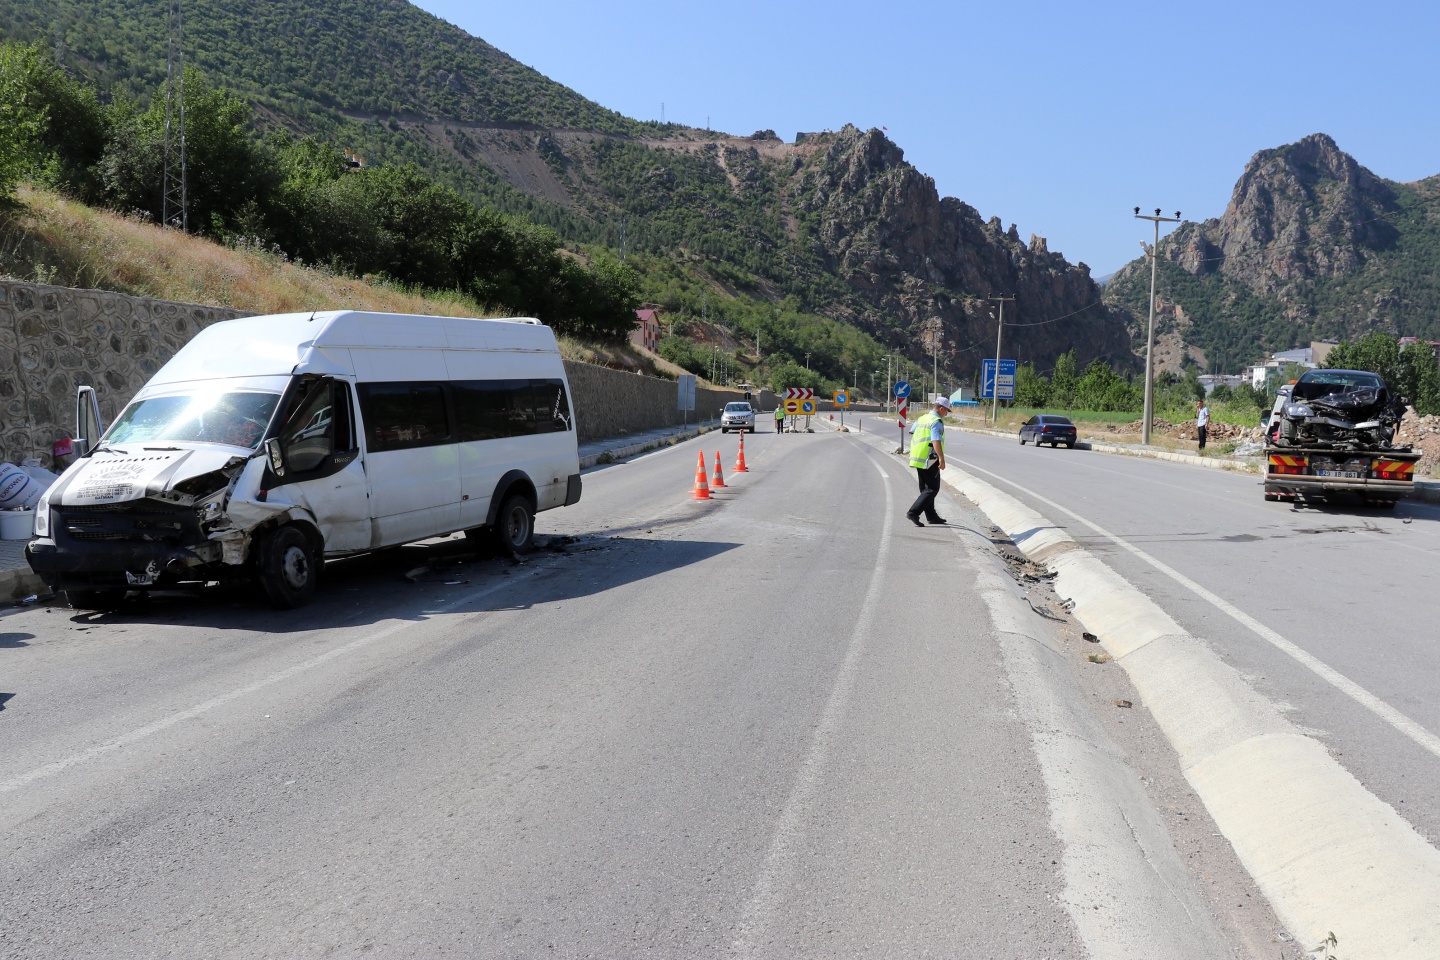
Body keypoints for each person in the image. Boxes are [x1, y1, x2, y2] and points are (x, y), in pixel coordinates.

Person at [906, 395, 951, 527]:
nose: (946, 414)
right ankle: (913, 512)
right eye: (947, 411)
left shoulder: (922, 418)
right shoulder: (936, 421)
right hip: (929, 459)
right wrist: (941, 458)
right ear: (941, 409)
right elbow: (935, 440)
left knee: (925, 489)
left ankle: (931, 516)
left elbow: (911, 431)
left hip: (918, 456)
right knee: (932, 488)